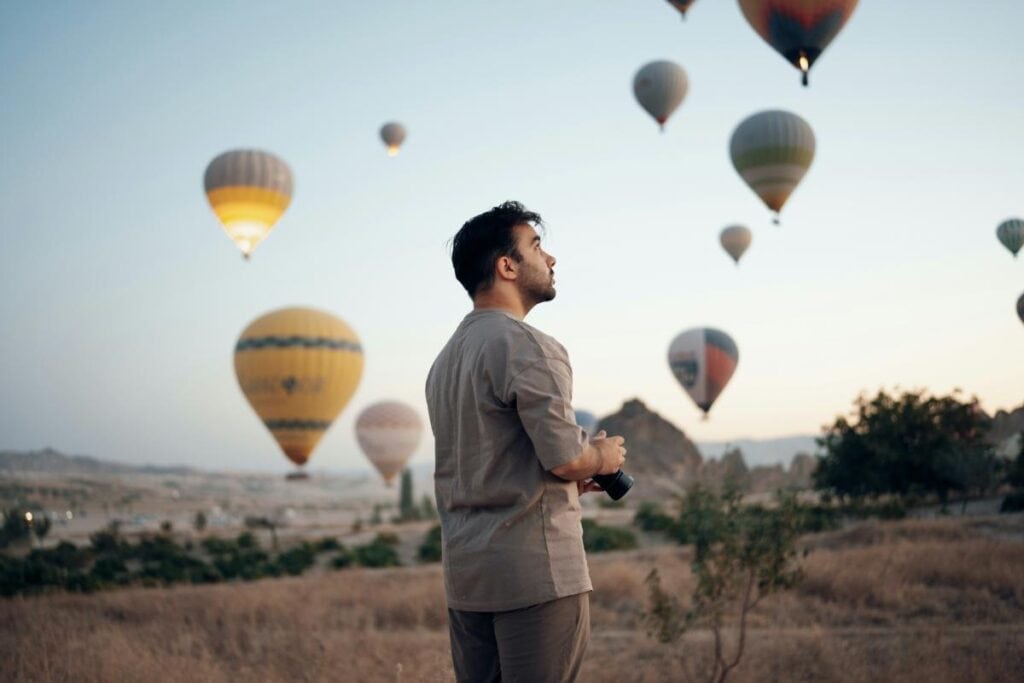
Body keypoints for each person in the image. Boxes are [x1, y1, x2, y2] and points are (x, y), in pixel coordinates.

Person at [425, 201, 628, 682]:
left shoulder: (446, 359)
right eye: (537, 246)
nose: (551, 259)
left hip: (468, 578)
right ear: (507, 265)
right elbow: (566, 458)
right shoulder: (528, 345)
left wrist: (562, 484)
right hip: (536, 576)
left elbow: (487, 463)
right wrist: (602, 455)